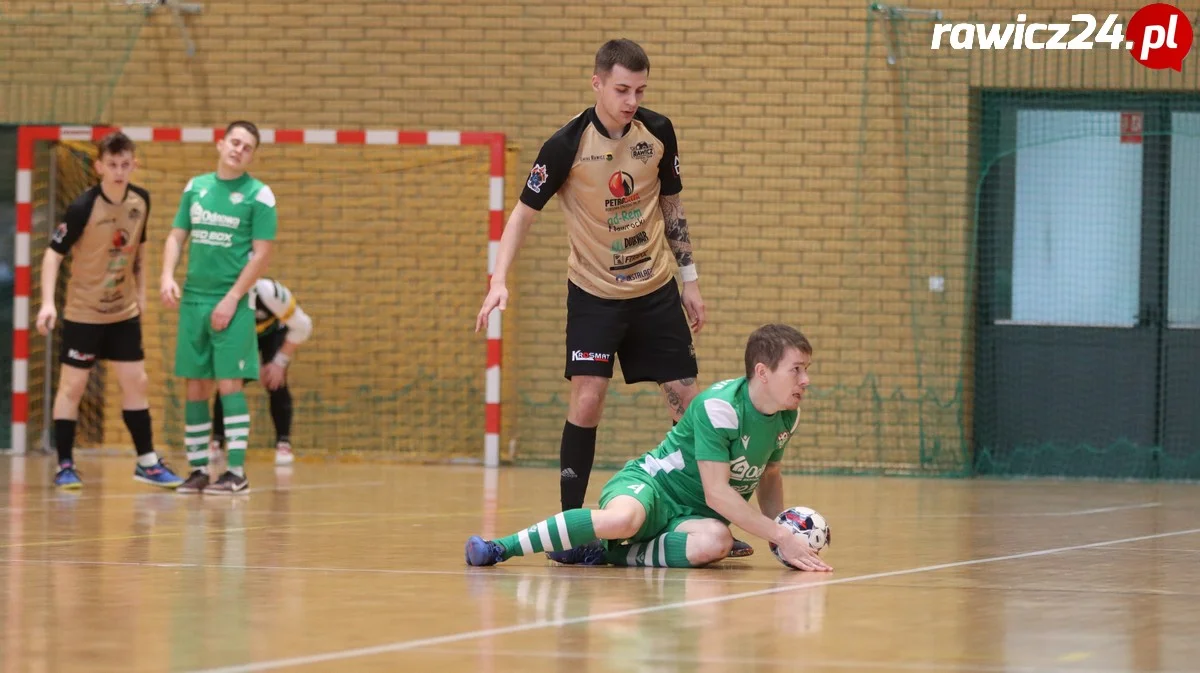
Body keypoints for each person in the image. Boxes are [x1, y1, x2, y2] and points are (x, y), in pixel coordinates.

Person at [474, 38, 730, 552]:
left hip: (655, 289)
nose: (631, 99)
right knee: (588, 399)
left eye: (639, 89)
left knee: (688, 401)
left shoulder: (658, 133)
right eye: (621, 89)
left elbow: (672, 209)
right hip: (593, 294)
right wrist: (498, 279)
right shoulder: (565, 145)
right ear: (597, 84)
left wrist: (691, 281)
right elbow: (522, 214)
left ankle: (708, 518)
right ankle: (571, 529)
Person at [464, 324, 833, 572]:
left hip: (693, 513)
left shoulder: (787, 416)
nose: (806, 380)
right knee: (624, 520)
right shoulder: (719, 408)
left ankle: (610, 552)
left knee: (717, 542)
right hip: (653, 486)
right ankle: (500, 547)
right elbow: (718, 494)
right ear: (763, 372)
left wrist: (778, 537)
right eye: (796, 370)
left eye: (807, 369)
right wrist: (782, 535)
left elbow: (769, 475)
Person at [35, 131, 183, 490]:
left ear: (135, 164)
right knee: (73, 386)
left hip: (123, 313)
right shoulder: (83, 207)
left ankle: (146, 462)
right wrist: (48, 302)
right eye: (112, 165)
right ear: (99, 166)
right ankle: (65, 464)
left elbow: (141, 250)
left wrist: (143, 295)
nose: (119, 171)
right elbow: (54, 254)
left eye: (125, 164)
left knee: (137, 382)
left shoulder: (141, 201)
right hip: (84, 313)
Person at [160, 120, 277, 495]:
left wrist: (232, 298)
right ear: (220, 143)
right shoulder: (196, 187)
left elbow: (261, 255)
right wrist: (167, 275)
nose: (239, 150)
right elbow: (177, 235)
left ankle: (236, 472)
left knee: (229, 383)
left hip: (233, 301)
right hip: (193, 298)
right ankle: (197, 470)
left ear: (252, 155)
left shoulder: (260, 196)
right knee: (196, 385)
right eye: (235, 142)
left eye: (247, 147)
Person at [210, 277, 313, 466]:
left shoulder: (271, 293)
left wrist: (279, 362)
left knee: (275, 381)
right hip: (242, 335)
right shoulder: (219, 294)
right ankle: (217, 441)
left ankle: (283, 442)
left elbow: (304, 326)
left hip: (272, 334)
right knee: (228, 381)